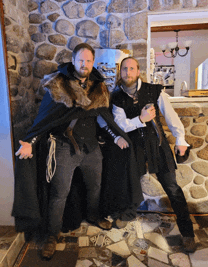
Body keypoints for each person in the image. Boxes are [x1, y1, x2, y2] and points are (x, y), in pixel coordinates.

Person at [12, 43, 140, 260]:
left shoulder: (99, 87)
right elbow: (44, 119)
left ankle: (92, 216)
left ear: (93, 63)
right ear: (73, 60)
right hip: (64, 147)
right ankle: (52, 235)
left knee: (95, 187)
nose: (85, 64)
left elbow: (103, 118)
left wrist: (117, 136)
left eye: (89, 61)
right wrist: (30, 141)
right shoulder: (58, 84)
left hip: (91, 149)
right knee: (59, 193)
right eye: (81, 60)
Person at [106, 57, 196, 253]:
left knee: (173, 188)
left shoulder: (155, 91)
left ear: (138, 71)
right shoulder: (116, 98)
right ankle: (128, 214)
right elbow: (121, 126)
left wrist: (180, 139)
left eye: (131, 69)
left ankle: (188, 233)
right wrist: (141, 119)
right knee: (130, 182)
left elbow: (171, 116)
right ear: (120, 73)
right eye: (124, 69)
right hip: (135, 147)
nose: (128, 72)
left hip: (158, 145)